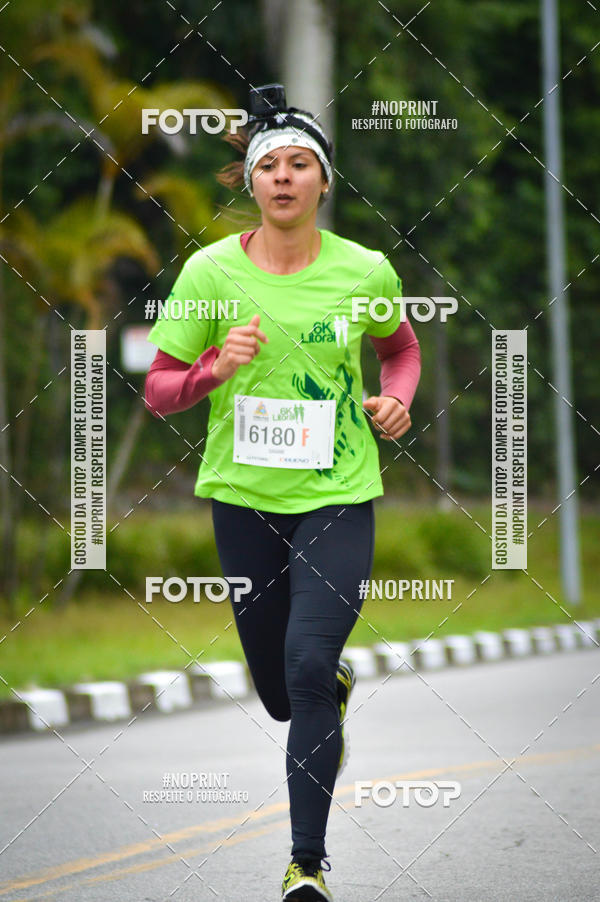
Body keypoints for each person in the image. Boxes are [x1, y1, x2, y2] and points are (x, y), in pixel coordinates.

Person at [144, 85, 421, 902]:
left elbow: (399, 348)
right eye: (271, 165)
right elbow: (160, 390)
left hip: (338, 492)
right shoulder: (210, 272)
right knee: (279, 690)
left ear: (324, 182)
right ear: (251, 182)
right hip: (242, 497)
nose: (285, 177)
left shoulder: (363, 269)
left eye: (301, 164)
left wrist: (397, 396)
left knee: (305, 665)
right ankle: (320, 691)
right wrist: (212, 372)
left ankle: (306, 863)